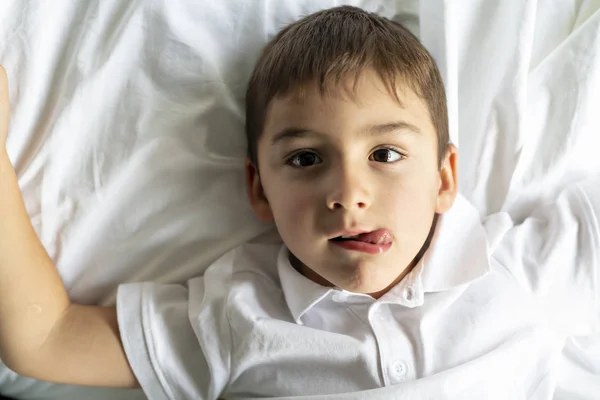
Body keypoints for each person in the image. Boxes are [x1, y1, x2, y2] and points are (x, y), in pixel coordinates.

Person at [0, 5, 599, 400]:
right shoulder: (238, 314)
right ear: (259, 188)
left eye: (386, 155)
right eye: (307, 159)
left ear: (445, 177)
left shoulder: (516, 267)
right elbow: (47, 337)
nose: (347, 195)